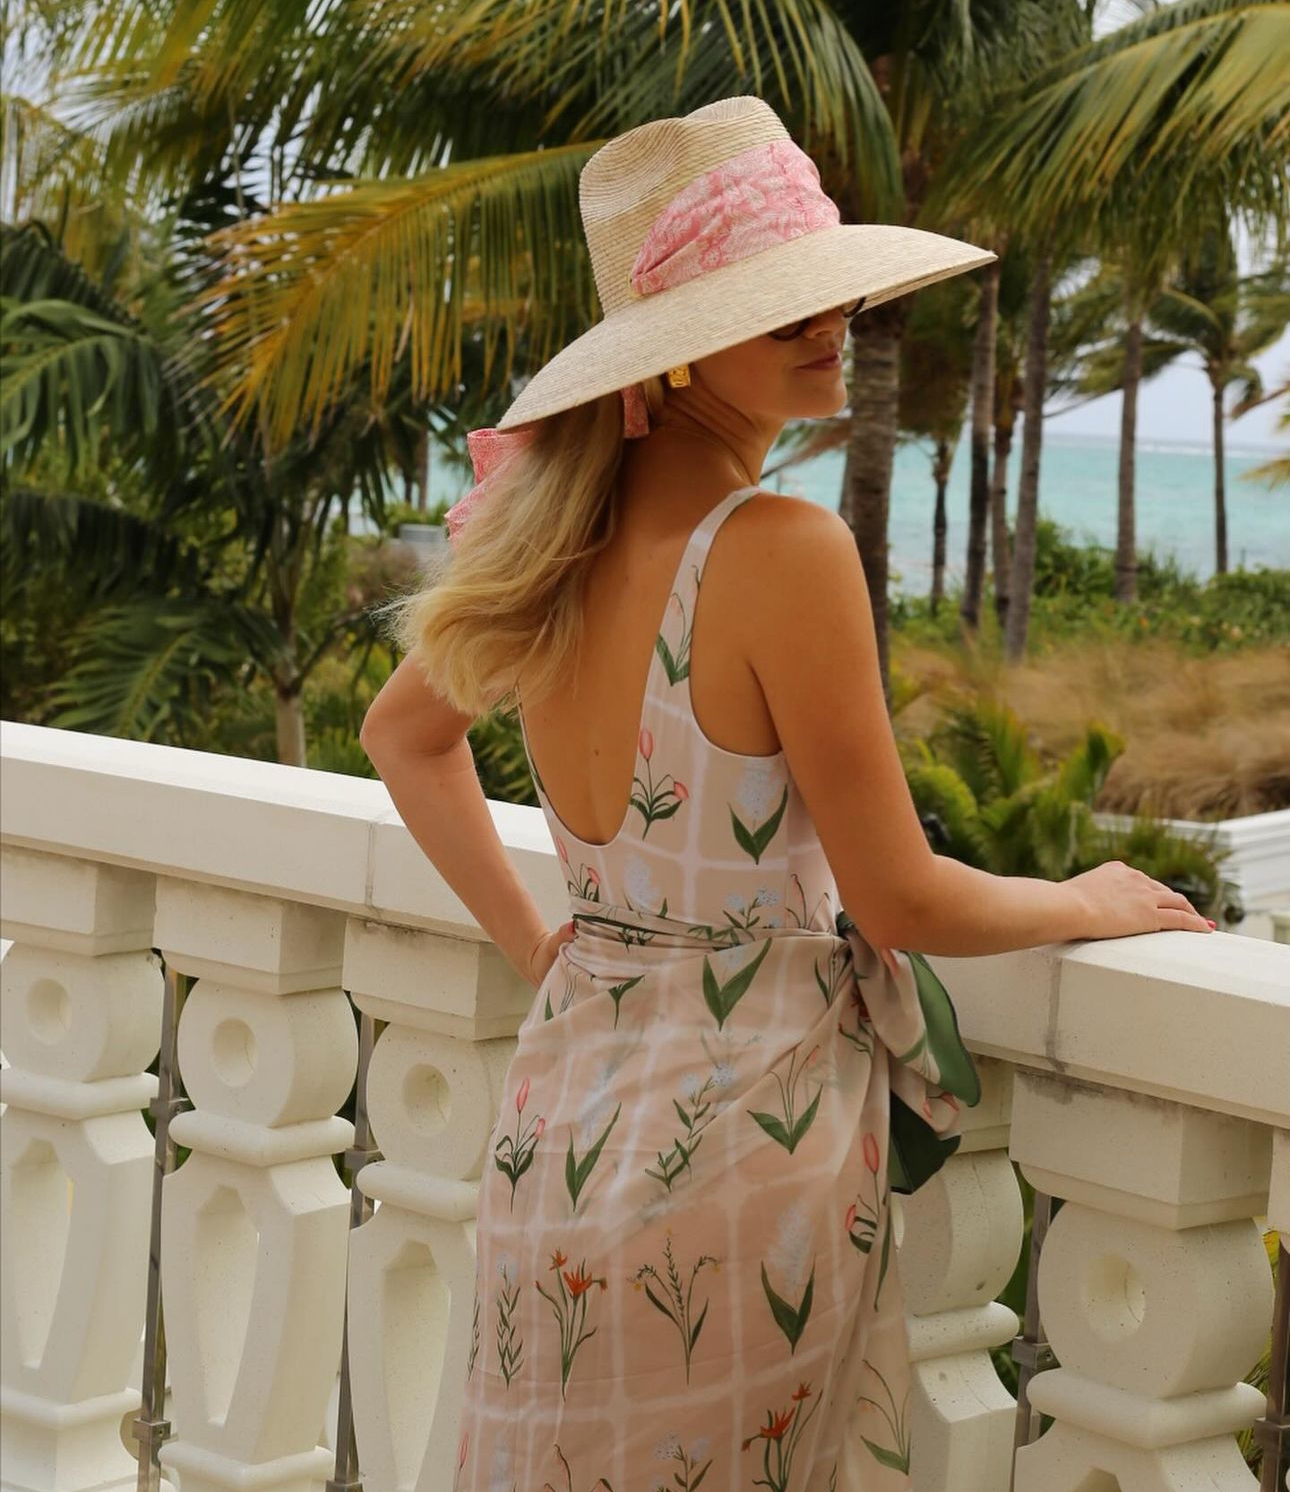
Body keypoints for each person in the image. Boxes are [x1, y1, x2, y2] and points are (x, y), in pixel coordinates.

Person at [361, 95, 1215, 1492]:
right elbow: (895, 894)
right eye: (781, 309)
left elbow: (402, 736)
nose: (835, 327)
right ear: (681, 350)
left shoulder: (556, 542)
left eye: (829, 296)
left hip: (560, 1134)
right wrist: (1084, 896)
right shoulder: (778, 548)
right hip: (739, 1150)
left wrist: (541, 946)